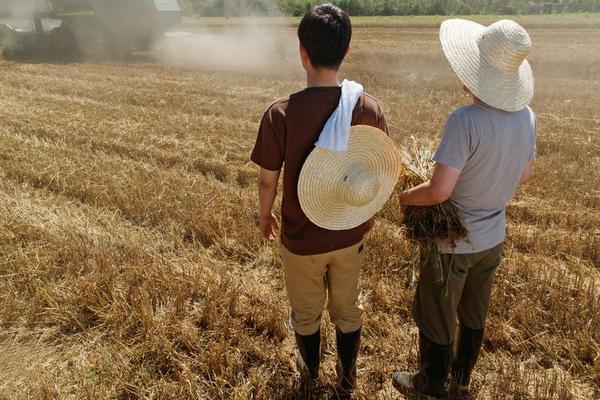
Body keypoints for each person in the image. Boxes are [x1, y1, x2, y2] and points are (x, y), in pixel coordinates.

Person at [250, 3, 391, 396]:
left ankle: (309, 376)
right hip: (349, 233)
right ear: (346, 52)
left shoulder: (280, 114)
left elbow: (267, 180)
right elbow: (378, 170)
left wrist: (265, 216)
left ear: (302, 52)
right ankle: (348, 378)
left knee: (306, 312)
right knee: (348, 308)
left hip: (301, 239)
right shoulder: (367, 107)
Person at [392, 19, 537, 399]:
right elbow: (524, 175)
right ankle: (462, 379)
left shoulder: (465, 121)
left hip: (452, 244)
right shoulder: (527, 117)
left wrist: (404, 196)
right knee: (474, 312)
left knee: (437, 315)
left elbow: (439, 191)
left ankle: (431, 383)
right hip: (493, 239)